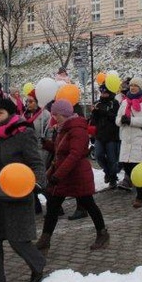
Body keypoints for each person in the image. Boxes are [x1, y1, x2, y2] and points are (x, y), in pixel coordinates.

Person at [0, 98, 46, 282]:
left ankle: (38, 264)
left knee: (17, 239)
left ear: (10, 113)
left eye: (0, 113)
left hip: (16, 193)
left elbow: (37, 163)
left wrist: (35, 184)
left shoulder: (24, 133)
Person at [36, 99, 109, 254]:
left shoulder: (77, 129)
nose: (54, 117)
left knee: (89, 204)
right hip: (64, 175)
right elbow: (60, 150)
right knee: (53, 206)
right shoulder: (64, 128)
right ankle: (45, 239)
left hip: (76, 175)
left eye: (56, 114)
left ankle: (102, 233)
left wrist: (57, 175)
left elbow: (74, 154)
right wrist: (46, 143)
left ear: (63, 114)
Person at [116, 78, 142, 207]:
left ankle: (140, 196)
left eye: (135, 86)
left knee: (139, 169)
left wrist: (131, 121)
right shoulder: (125, 102)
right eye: (131, 85)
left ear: (141, 87)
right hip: (127, 140)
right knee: (127, 168)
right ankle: (137, 185)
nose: (132, 88)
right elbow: (117, 119)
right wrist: (122, 120)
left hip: (140, 141)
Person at [90, 84, 121, 188]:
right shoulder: (97, 103)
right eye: (102, 93)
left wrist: (103, 112)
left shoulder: (114, 103)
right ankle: (107, 172)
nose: (103, 95)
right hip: (100, 135)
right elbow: (94, 121)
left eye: (105, 93)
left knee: (112, 159)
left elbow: (115, 117)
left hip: (112, 135)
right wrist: (94, 113)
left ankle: (113, 177)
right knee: (99, 155)